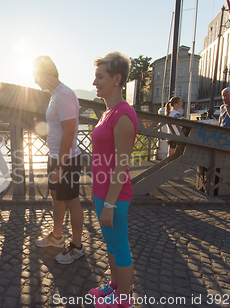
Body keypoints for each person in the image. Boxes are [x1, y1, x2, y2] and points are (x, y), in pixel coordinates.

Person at [89, 52, 138, 308]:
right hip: (102, 191)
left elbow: (121, 165)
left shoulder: (123, 115)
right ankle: (114, 287)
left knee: (120, 247)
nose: (94, 82)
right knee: (110, 244)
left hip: (115, 195)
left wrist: (109, 203)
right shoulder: (107, 112)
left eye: (100, 77)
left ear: (117, 78)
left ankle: (123, 300)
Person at [32, 56, 84, 265]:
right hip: (55, 157)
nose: (35, 82)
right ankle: (57, 236)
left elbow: (70, 133)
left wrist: (62, 166)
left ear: (46, 73)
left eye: (36, 76)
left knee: (72, 201)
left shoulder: (64, 95)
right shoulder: (55, 95)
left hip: (67, 160)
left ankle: (77, 247)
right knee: (56, 197)